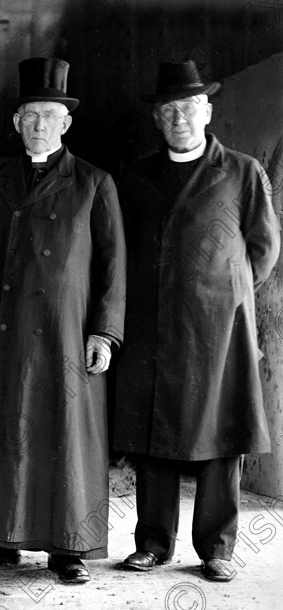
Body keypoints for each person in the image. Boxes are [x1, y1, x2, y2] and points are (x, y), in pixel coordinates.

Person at [0, 58, 126, 583]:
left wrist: (105, 331)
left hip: (66, 332)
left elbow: (114, 264)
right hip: (6, 330)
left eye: (48, 116)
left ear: (66, 123)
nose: (38, 125)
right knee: (5, 432)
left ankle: (68, 549)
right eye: (29, 116)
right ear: (16, 123)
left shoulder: (94, 183)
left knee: (66, 435)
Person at [115, 60, 280, 582]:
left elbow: (263, 247)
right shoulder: (135, 176)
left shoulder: (242, 171)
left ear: (206, 111)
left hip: (219, 331)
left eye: (187, 108)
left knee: (221, 434)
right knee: (153, 434)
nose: (178, 118)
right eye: (167, 111)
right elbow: (121, 250)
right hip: (151, 328)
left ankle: (217, 548)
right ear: (157, 120)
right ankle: (153, 543)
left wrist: (222, 293)